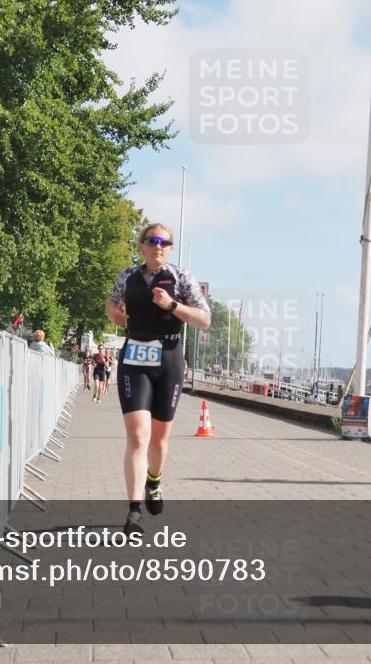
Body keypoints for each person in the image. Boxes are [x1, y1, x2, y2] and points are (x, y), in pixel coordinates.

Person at [105, 223, 211, 535]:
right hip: (135, 357)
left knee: (159, 440)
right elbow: (111, 301)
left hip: (169, 358)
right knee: (138, 436)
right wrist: (113, 312)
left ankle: (155, 479)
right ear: (141, 245)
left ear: (170, 248)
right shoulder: (128, 276)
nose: (158, 246)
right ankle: (134, 512)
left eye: (165, 242)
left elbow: (204, 319)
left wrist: (173, 305)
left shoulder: (182, 279)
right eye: (152, 241)